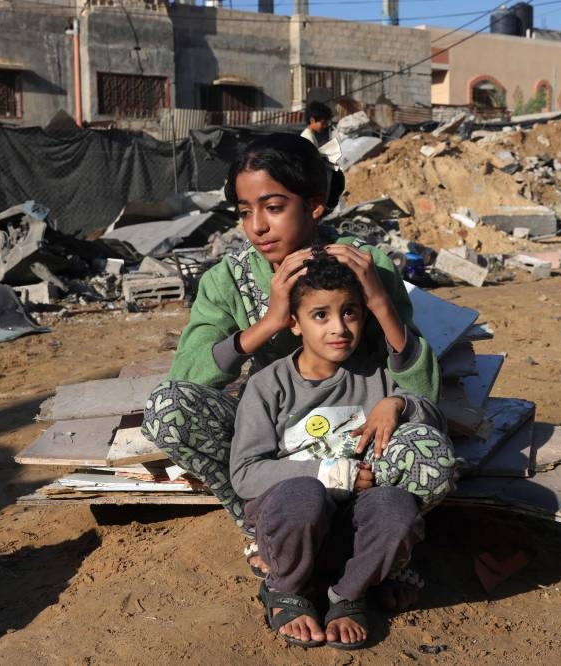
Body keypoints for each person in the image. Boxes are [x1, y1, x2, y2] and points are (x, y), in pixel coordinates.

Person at [141, 133, 445, 606]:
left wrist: (381, 303)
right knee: (167, 411)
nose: (258, 226)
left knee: (430, 455)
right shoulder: (229, 280)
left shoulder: (366, 267)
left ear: (315, 206)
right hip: (273, 445)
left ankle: (374, 538)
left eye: (274, 207)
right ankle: (269, 529)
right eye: (245, 212)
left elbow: (424, 393)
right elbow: (186, 378)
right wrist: (268, 324)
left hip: (361, 438)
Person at [230, 249, 458, 649]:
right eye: (321, 315)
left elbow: (433, 423)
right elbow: (246, 473)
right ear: (295, 324)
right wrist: (331, 473)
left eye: (350, 312)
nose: (339, 327)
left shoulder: (375, 376)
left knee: (395, 506)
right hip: (292, 521)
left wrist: (399, 403)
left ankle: (349, 593)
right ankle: (286, 588)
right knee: (303, 494)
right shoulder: (269, 385)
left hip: (355, 522)